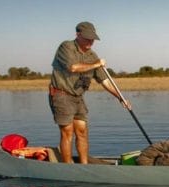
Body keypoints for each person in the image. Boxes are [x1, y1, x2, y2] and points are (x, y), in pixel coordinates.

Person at [49, 21, 131, 164]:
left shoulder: (92, 55)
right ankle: (68, 168)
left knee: (82, 131)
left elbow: (104, 80)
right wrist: (96, 64)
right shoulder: (66, 47)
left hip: (78, 97)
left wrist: (120, 97)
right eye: (87, 38)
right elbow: (73, 67)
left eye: (92, 38)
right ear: (78, 34)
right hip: (61, 94)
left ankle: (85, 166)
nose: (90, 41)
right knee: (67, 132)